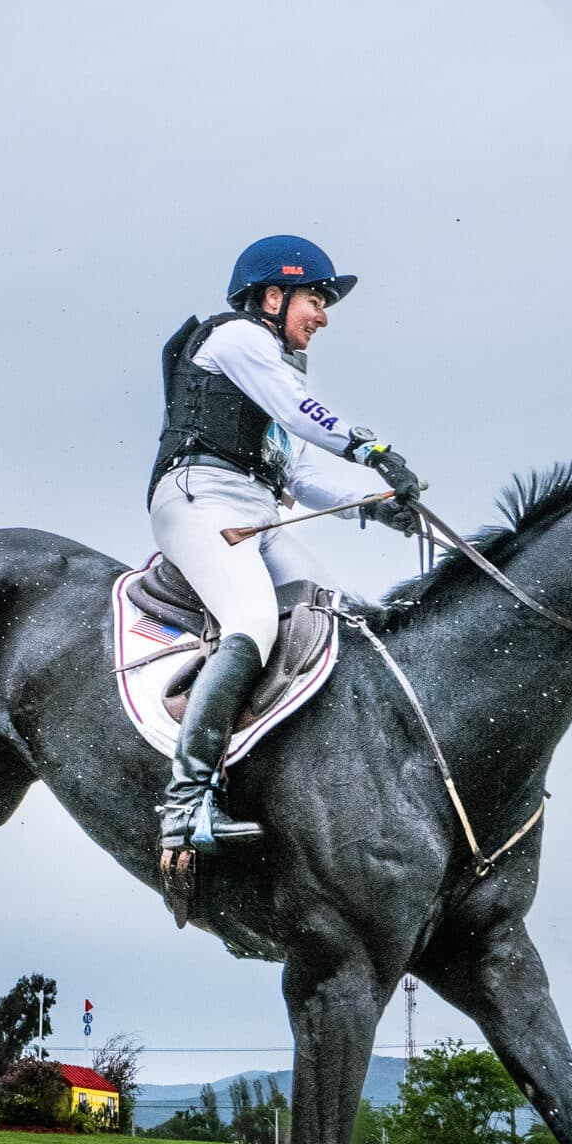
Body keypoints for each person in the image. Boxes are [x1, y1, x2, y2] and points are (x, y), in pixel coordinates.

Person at [147, 236, 425, 856]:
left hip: (257, 514)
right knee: (250, 619)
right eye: (316, 301)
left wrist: (376, 506)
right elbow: (303, 412)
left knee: (332, 614)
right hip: (198, 502)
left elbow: (299, 475)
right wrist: (373, 450)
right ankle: (185, 802)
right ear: (273, 297)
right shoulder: (237, 339)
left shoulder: (274, 370)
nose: (323, 317)